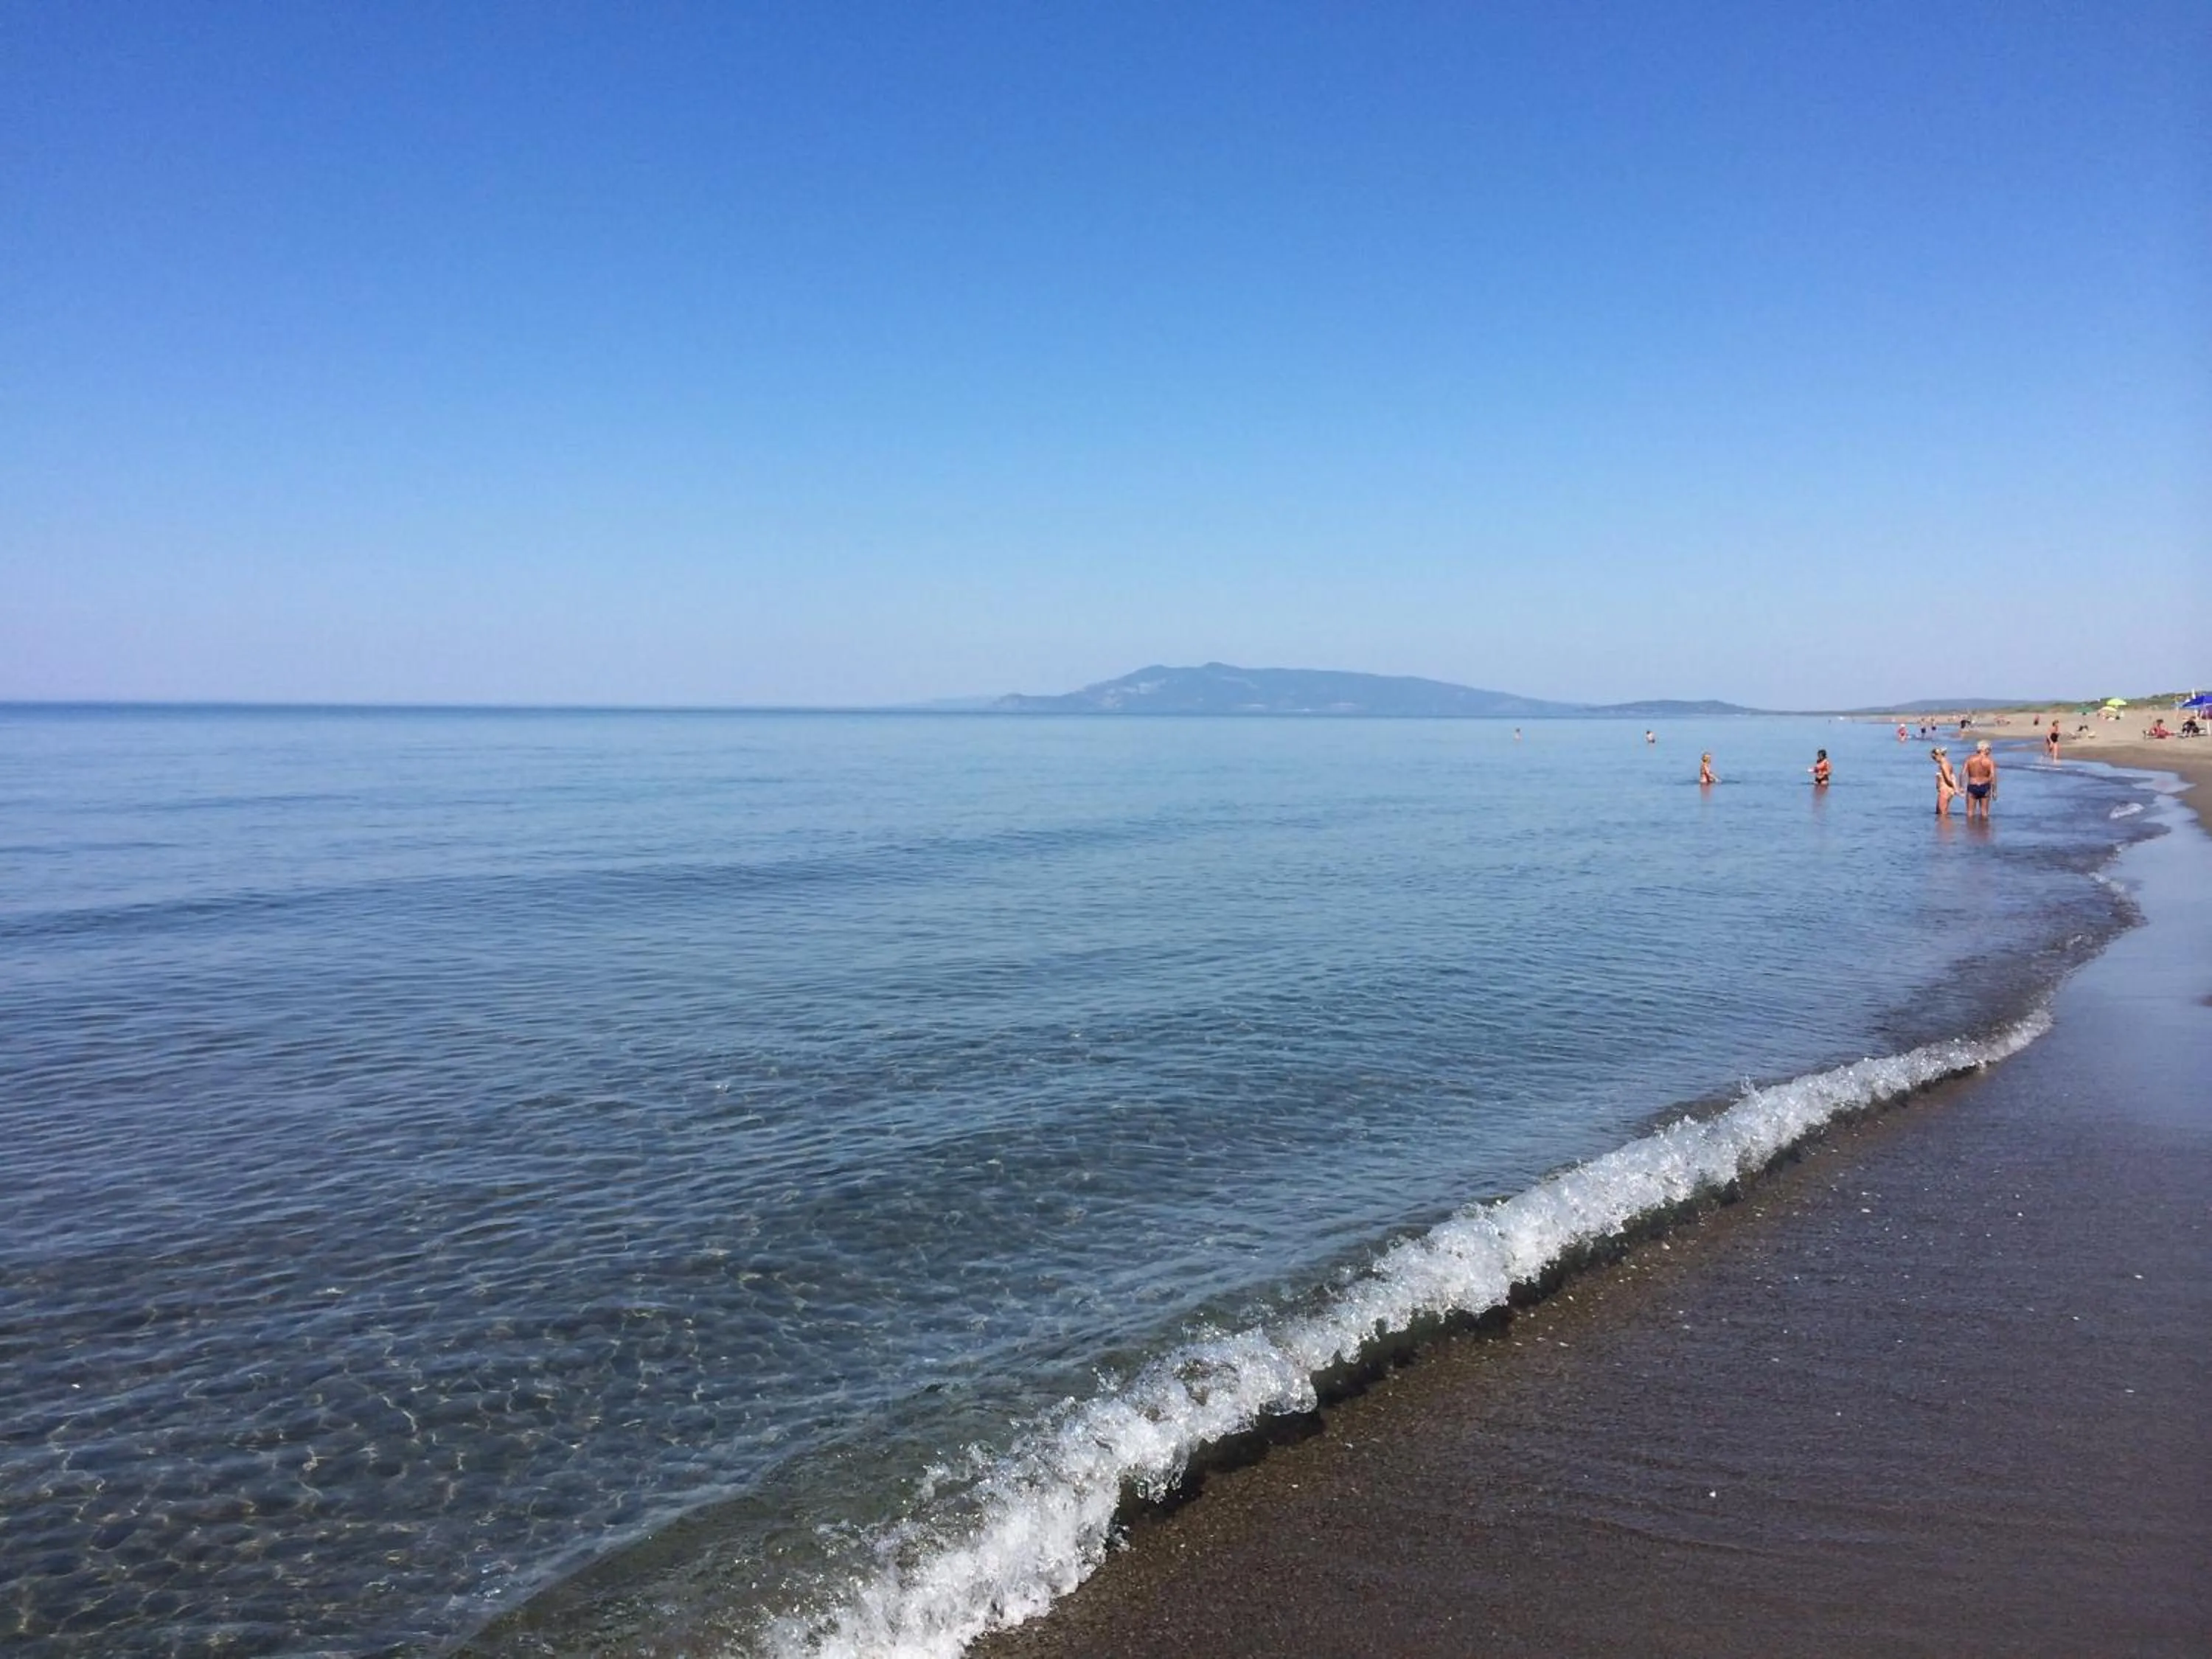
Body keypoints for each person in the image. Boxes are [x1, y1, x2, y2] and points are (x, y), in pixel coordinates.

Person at [1962, 740, 1997, 819]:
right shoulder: (1990, 761)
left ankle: (1970, 831)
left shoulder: (1969, 759)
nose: (1990, 751)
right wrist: (1994, 791)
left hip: (1972, 786)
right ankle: (1983, 830)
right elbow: (1993, 777)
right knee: (1984, 813)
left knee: (1970, 814)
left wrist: (1961, 786)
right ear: (1985, 749)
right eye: (1989, 749)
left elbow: (1962, 774)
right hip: (1985, 786)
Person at [1932, 745, 1958, 816]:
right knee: (1940, 812)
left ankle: (1944, 827)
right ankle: (1943, 826)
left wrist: (1956, 789)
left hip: (1945, 790)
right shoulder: (1943, 764)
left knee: (1942, 814)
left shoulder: (1944, 764)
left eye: (1934, 758)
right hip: (1944, 790)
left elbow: (1949, 779)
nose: (1934, 760)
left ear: (1939, 755)